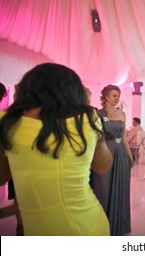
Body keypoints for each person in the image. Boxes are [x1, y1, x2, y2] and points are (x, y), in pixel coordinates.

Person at [0, 63, 112, 235]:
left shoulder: (7, 123)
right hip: (89, 226)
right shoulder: (87, 120)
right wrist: (88, 111)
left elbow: (2, 176)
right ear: (75, 94)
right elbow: (103, 166)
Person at [92, 84, 134, 236]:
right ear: (106, 97)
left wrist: (129, 155)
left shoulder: (122, 114)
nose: (117, 98)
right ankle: (101, 226)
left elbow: (123, 137)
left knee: (120, 189)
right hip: (104, 154)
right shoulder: (97, 113)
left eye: (118, 95)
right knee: (102, 189)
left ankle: (117, 225)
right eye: (114, 95)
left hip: (121, 154)